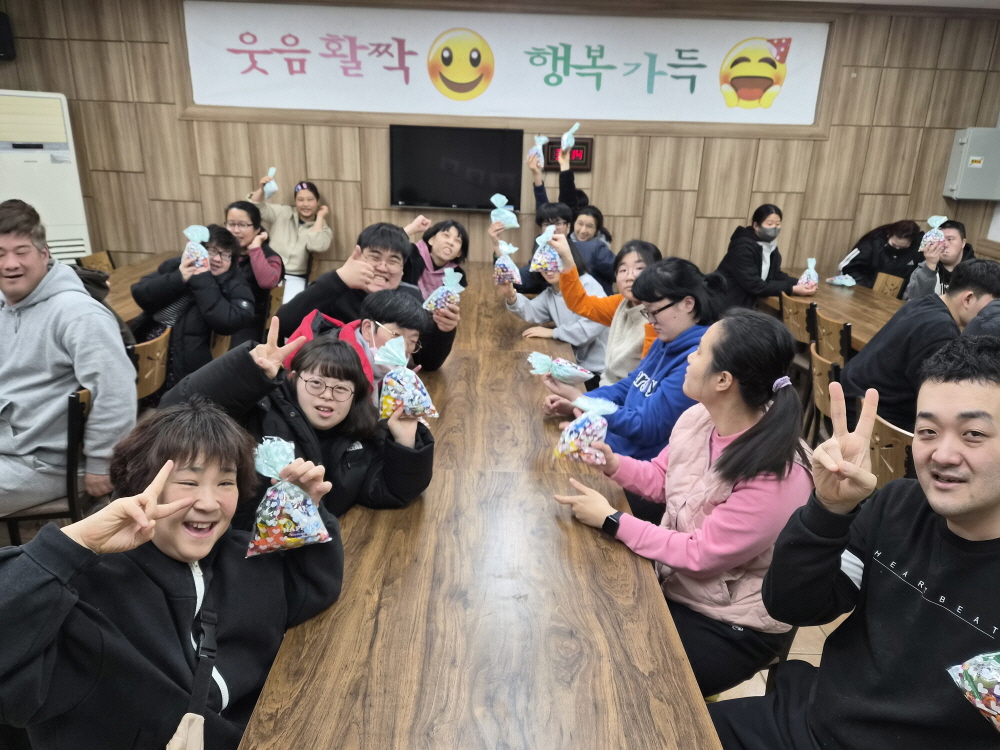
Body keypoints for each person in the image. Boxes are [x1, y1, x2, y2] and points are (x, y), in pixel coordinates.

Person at [710, 337, 1000, 750]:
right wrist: (828, 510)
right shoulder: (897, 506)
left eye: (973, 434)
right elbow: (792, 606)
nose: (942, 454)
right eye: (928, 431)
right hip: (807, 724)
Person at [0, 401, 344, 749]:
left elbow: (309, 593)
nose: (208, 502)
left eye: (226, 481)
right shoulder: (84, 591)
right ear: (140, 487)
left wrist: (306, 513)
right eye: (188, 481)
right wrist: (71, 544)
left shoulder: (245, 558)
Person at [554, 309, 813, 697]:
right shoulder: (700, 418)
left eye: (700, 352)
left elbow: (702, 554)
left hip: (732, 619)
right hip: (681, 581)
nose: (689, 357)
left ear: (724, 380)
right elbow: (664, 478)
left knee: (624, 674)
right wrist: (612, 463)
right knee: (587, 611)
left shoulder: (779, 471)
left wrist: (612, 520)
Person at [162, 317, 433, 525]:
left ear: (356, 396)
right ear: (294, 379)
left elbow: (388, 491)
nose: (327, 395)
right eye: (316, 383)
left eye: (341, 389)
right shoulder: (258, 414)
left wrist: (405, 439)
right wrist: (248, 371)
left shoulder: (360, 436)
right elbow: (175, 412)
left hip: (312, 553)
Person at [0, 200, 136, 513]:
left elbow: (116, 392)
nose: (9, 264)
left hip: (44, 463)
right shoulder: (7, 305)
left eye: (21, 251)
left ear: (44, 254)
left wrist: (102, 462)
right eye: (0, 254)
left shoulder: (79, 315)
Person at [840, 258, 1000, 432]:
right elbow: (940, 400)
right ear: (968, 299)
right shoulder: (942, 331)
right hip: (870, 419)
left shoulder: (924, 302)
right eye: (993, 304)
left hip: (851, 396)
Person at [275, 222, 459, 372]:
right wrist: (338, 279)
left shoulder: (410, 297)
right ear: (357, 257)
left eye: (393, 261)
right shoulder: (334, 287)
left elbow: (428, 363)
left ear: (403, 269)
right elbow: (284, 324)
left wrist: (444, 331)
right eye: (374, 257)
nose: (382, 267)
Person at [130, 224, 255, 399]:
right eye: (212, 251)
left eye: (226, 255)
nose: (217, 259)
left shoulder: (233, 282)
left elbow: (231, 320)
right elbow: (140, 293)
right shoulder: (178, 264)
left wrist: (202, 279)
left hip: (185, 363)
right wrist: (178, 277)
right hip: (148, 351)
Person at [498, 234, 609, 389]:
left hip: (598, 375)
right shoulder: (552, 292)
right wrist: (511, 295)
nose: (548, 269)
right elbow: (531, 311)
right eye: (542, 262)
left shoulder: (588, 284)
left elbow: (588, 329)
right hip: (573, 367)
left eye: (554, 260)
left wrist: (553, 332)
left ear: (568, 257)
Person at [550, 236, 662, 386]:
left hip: (628, 393)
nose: (630, 277)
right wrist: (567, 259)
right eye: (623, 270)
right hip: (607, 386)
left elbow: (646, 379)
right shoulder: (621, 303)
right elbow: (579, 303)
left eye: (639, 269)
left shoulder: (662, 317)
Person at [715, 204, 816, 310]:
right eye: (769, 224)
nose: (774, 228)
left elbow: (775, 275)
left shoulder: (770, 246)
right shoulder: (742, 247)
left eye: (778, 224)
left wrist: (801, 282)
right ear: (756, 226)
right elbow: (754, 285)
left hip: (745, 304)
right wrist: (792, 289)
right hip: (726, 304)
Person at [250, 176, 332, 303]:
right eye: (300, 200)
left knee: (289, 307)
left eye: (310, 200)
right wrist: (261, 189)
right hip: (270, 271)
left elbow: (316, 245)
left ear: (317, 201)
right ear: (295, 201)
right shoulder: (283, 212)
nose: (305, 204)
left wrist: (320, 217)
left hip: (297, 278)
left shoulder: (322, 228)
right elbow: (254, 209)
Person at [223, 200, 284, 348]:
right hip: (220, 315)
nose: (236, 230)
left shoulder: (270, 257)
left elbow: (268, 282)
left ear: (257, 228)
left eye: (242, 225)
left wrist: (255, 249)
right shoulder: (221, 252)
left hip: (250, 322)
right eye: (231, 224)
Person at [838, 219, 923, 293]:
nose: (897, 248)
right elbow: (847, 267)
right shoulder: (873, 242)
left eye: (903, 247)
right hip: (865, 291)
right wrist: (866, 287)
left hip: (897, 296)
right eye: (894, 245)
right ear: (889, 235)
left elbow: (922, 277)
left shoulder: (920, 249)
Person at [904, 220, 977, 300]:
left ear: (963, 243)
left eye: (950, 239)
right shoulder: (923, 268)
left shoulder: (977, 271)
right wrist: (930, 266)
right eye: (939, 239)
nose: (944, 244)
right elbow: (915, 301)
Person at [401, 216, 470, 299]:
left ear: (459, 253)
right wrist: (411, 228)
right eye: (446, 235)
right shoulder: (410, 253)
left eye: (457, 240)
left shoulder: (456, 275)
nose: (450, 242)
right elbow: (388, 244)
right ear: (431, 239)